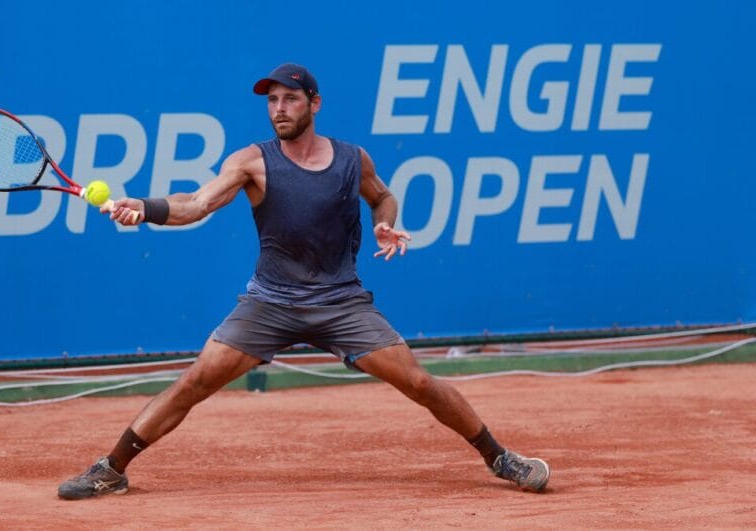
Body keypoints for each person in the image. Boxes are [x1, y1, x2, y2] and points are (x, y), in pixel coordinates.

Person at [57, 63, 550, 500]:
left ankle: (499, 457)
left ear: (314, 104)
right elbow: (198, 203)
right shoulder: (251, 161)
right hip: (270, 303)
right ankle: (112, 469)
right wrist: (146, 208)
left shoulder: (352, 160)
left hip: (341, 302)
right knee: (196, 381)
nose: (279, 108)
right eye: (272, 100)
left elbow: (382, 197)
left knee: (419, 382)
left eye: (290, 98)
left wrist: (384, 222)